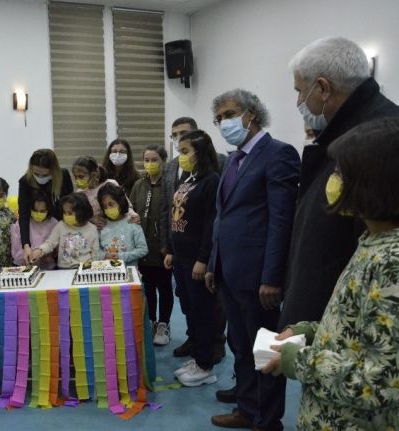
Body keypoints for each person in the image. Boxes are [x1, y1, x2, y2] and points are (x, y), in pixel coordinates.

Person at [262, 118, 399, 430]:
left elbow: (384, 383)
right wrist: (310, 331)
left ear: (373, 181)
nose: (332, 181)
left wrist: (298, 359)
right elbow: (359, 328)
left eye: (340, 171)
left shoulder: (391, 261)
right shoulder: (372, 240)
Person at [279, 36, 399, 329]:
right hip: (325, 316)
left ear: (323, 88)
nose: (298, 102)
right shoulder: (348, 130)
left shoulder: (379, 139)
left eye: (300, 91)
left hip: (349, 319)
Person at [206, 89, 300, 430]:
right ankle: (247, 409)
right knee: (241, 345)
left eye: (230, 114)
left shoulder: (279, 154)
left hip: (259, 275)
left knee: (265, 349)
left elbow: (281, 221)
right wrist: (214, 263)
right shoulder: (233, 160)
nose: (224, 123)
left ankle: (267, 420)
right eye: (219, 118)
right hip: (229, 272)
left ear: (252, 114)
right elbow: (223, 217)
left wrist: (272, 276)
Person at [161, 117, 227, 360]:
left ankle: (205, 359)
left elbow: (211, 223)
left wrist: (203, 259)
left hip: (196, 258)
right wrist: (170, 249)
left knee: (203, 309)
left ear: (199, 151)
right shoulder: (186, 179)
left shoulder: (212, 179)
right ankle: (196, 346)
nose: (181, 156)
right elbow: (175, 214)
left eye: (185, 151)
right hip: (180, 256)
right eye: (179, 150)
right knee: (189, 305)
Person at [130, 144, 174, 345]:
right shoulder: (139, 185)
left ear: (163, 161)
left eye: (154, 160)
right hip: (143, 246)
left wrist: (170, 247)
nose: (150, 164)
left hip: (162, 246)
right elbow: (130, 209)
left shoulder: (170, 184)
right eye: (146, 160)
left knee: (164, 287)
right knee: (147, 288)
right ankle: (151, 321)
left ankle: (164, 324)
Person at [18, 149, 73, 263]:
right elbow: (23, 215)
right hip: (39, 230)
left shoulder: (63, 176)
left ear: (53, 170)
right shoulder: (25, 181)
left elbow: (71, 205)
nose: (40, 178)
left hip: (62, 227)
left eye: (45, 175)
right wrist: (26, 245)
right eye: (36, 174)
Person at [30, 193, 99, 269]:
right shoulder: (61, 225)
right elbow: (50, 243)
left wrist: (94, 269)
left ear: (81, 212)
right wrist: (40, 251)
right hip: (63, 269)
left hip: (85, 269)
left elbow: (95, 253)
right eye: (64, 212)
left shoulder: (92, 229)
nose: (66, 216)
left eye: (70, 213)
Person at [72, 156, 139, 228]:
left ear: (93, 174)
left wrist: (133, 215)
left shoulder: (110, 184)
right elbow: (79, 216)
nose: (77, 180)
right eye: (75, 177)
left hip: (115, 227)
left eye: (81, 177)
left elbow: (126, 206)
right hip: (95, 231)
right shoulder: (79, 193)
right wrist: (91, 219)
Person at [97, 183, 148, 266]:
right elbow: (96, 249)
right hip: (107, 270)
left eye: (111, 204)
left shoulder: (132, 222)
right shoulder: (102, 224)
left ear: (120, 202)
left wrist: (122, 256)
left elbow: (143, 249)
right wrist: (104, 255)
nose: (108, 209)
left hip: (128, 270)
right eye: (104, 206)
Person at [10, 190, 58, 269]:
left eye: (42, 211)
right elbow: (16, 253)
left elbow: (56, 250)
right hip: (25, 268)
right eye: (35, 210)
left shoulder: (54, 223)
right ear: (30, 209)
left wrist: (44, 254)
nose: (38, 214)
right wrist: (32, 256)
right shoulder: (21, 224)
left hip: (48, 269)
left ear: (48, 209)